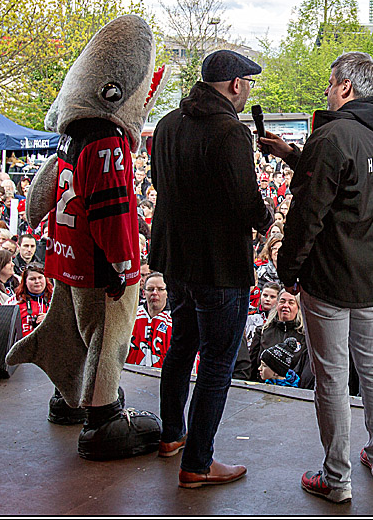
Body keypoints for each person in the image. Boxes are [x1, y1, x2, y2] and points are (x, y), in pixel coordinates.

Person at [263, 52, 373, 503]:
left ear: (344, 87)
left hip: (329, 279)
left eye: (328, 84)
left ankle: (336, 478)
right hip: (372, 275)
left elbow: (309, 212)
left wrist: (287, 269)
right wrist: (292, 156)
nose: (325, 92)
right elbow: (350, 185)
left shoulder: (333, 135)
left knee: (332, 377)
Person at [151, 49, 274, 488]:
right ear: (236, 84)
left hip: (175, 261)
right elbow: (245, 203)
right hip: (219, 266)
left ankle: (171, 436)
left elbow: (159, 185)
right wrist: (266, 218)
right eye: (248, 84)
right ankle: (198, 462)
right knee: (218, 362)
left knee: (181, 346)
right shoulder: (230, 132)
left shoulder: (166, 124)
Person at [127, 272, 172, 368]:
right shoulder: (131, 317)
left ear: (168, 293)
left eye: (160, 289)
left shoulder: (175, 321)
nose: (155, 293)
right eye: (150, 289)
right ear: (143, 293)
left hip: (162, 378)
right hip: (131, 376)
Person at [16, 264, 51, 337]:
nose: (37, 281)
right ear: (25, 281)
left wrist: (50, 319)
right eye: (32, 279)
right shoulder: (16, 301)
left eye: (40, 277)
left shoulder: (55, 299)